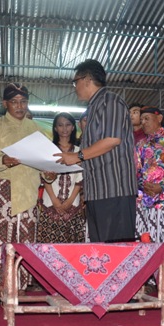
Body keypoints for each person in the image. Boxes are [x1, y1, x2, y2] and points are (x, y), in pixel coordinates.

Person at [55, 59, 138, 243]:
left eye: (75, 82)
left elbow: (112, 139)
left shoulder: (110, 101)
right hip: (97, 192)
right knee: (101, 251)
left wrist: (78, 156)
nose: (75, 87)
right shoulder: (92, 108)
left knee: (117, 252)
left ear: (86, 79)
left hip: (114, 190)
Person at [0, 83, 42, 303]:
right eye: (14, 101)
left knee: (24, 240)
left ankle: (21, 286)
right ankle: (1, 286)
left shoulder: (36, 129)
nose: (19, 106)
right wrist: (2, 161)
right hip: (3, 189)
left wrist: (50, 173)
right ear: (5, 103)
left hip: (28, 189)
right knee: (0, 240)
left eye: (23, 101)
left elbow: (44, 160)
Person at [134, 106, 164, 292]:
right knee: (148, 239)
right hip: (146, 199)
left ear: (159, 118)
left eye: (147, 118)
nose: (143, 122)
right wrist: (143, 185)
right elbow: (136, 171)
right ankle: (152, 280)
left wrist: (161, 186)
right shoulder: (140, 145)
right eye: (142, 119)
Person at [37, 113, 85, 243]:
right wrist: (55, 201)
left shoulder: (79, 151)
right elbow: (44, 176)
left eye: (68, 125)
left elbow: (80, 179)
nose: (64, 129)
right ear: (55, 128)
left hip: (73, 205)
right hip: (49, 204)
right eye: (60, 125)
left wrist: (69, 201)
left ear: (73, 127)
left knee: (71, 250)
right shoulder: (48, 150)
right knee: (48, 249)